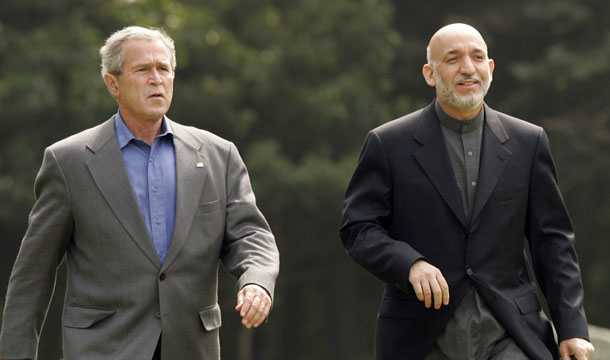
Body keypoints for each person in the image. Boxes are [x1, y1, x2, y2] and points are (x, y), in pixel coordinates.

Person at [0, 26, 279, 360]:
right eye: (143, 70)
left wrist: (257, 280)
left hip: (192, 348)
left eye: (164, 69)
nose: (156, 79)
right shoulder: (68, 161)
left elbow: (251, 234)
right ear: (112, 83)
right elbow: (32, 277)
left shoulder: (219, 155)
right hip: (104, 350)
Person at [339, 23, 594, 360]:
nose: (467, 68)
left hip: (512, 335)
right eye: (453, 58)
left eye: (477, 57)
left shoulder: (528, 142)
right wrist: (410, 264)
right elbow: (358, 228)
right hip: (422, 336)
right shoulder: (388, 144)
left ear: (490, 69)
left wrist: (572, 328)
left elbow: (553, 242)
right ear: (430, 74)